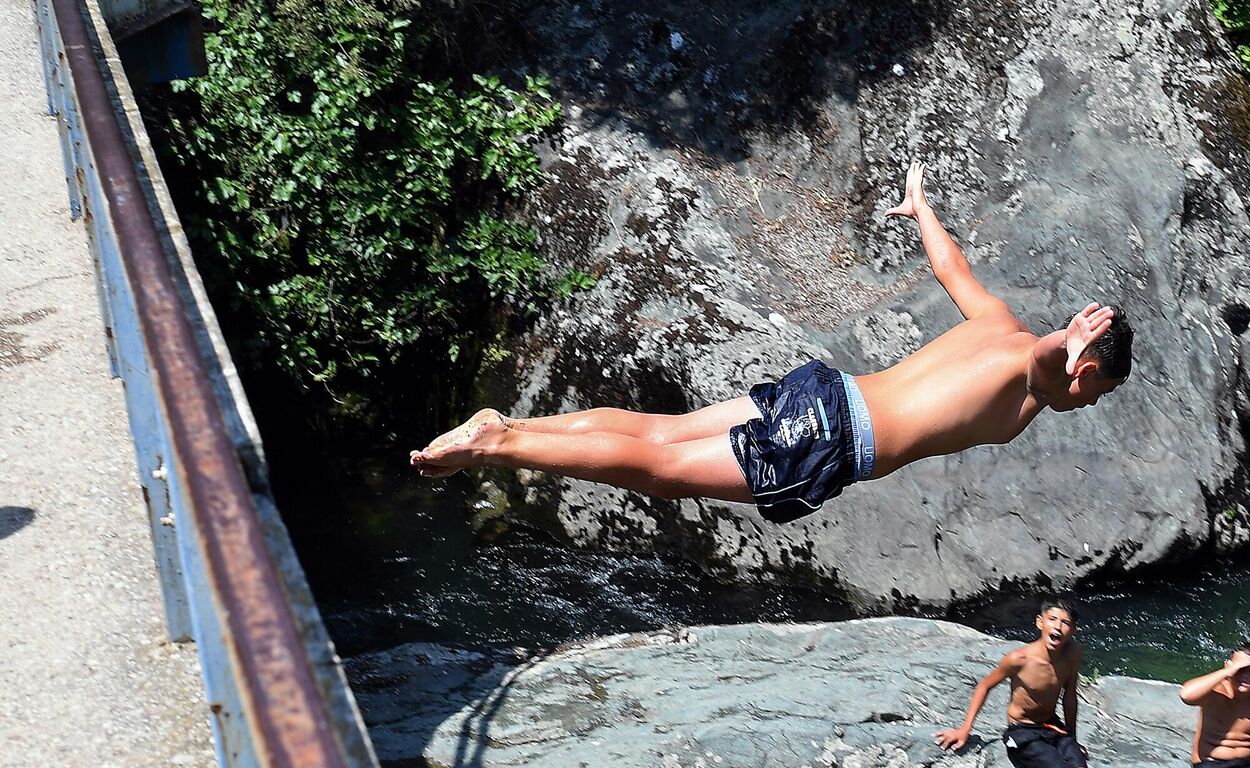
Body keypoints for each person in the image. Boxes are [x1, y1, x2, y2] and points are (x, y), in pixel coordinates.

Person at [409, 163, 1134, 522]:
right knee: (660, 470)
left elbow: (953, 268)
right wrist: (1062, 345)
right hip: (833, 439)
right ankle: (497, 446)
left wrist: (922, 210)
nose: (1084, 401)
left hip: (826, 390)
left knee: (661, 434)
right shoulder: (1038, 369)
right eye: (1093, 390)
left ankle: (511, 428)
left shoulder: (996, 321)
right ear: (1084, 371)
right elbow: (1040, 368)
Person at [933, 599, 1088, 768]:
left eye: (1065, 623)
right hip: (1023, 730)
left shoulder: (1073, 653)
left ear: (1073, 630)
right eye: (1052, 619)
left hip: (1052, 725)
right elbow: (985, 685)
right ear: (1040, 622)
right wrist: (965, 729)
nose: (1057, 627)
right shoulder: (1019, 659)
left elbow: (1070, 695)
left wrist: (1072, 739)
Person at [1178, 642, 1250, 768]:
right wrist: (1226, 671)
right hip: (1211, 762)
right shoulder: (1216, 690)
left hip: (1246, 762)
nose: (1244, 676)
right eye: (1240, 669)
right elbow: (1186, 695)